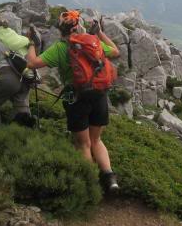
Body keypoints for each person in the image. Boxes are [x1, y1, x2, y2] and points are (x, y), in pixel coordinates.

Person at [25, 10, 121, 193]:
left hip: (76, 97)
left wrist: (31, 43)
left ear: (60, 30)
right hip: (100, 94)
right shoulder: (91, 41)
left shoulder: (60, 47)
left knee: (83, 144)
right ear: (78, 26)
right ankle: (110, 179)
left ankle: (90, 183)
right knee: (96, 139)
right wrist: (99, 33)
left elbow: (32, 63)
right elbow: (115, 51)